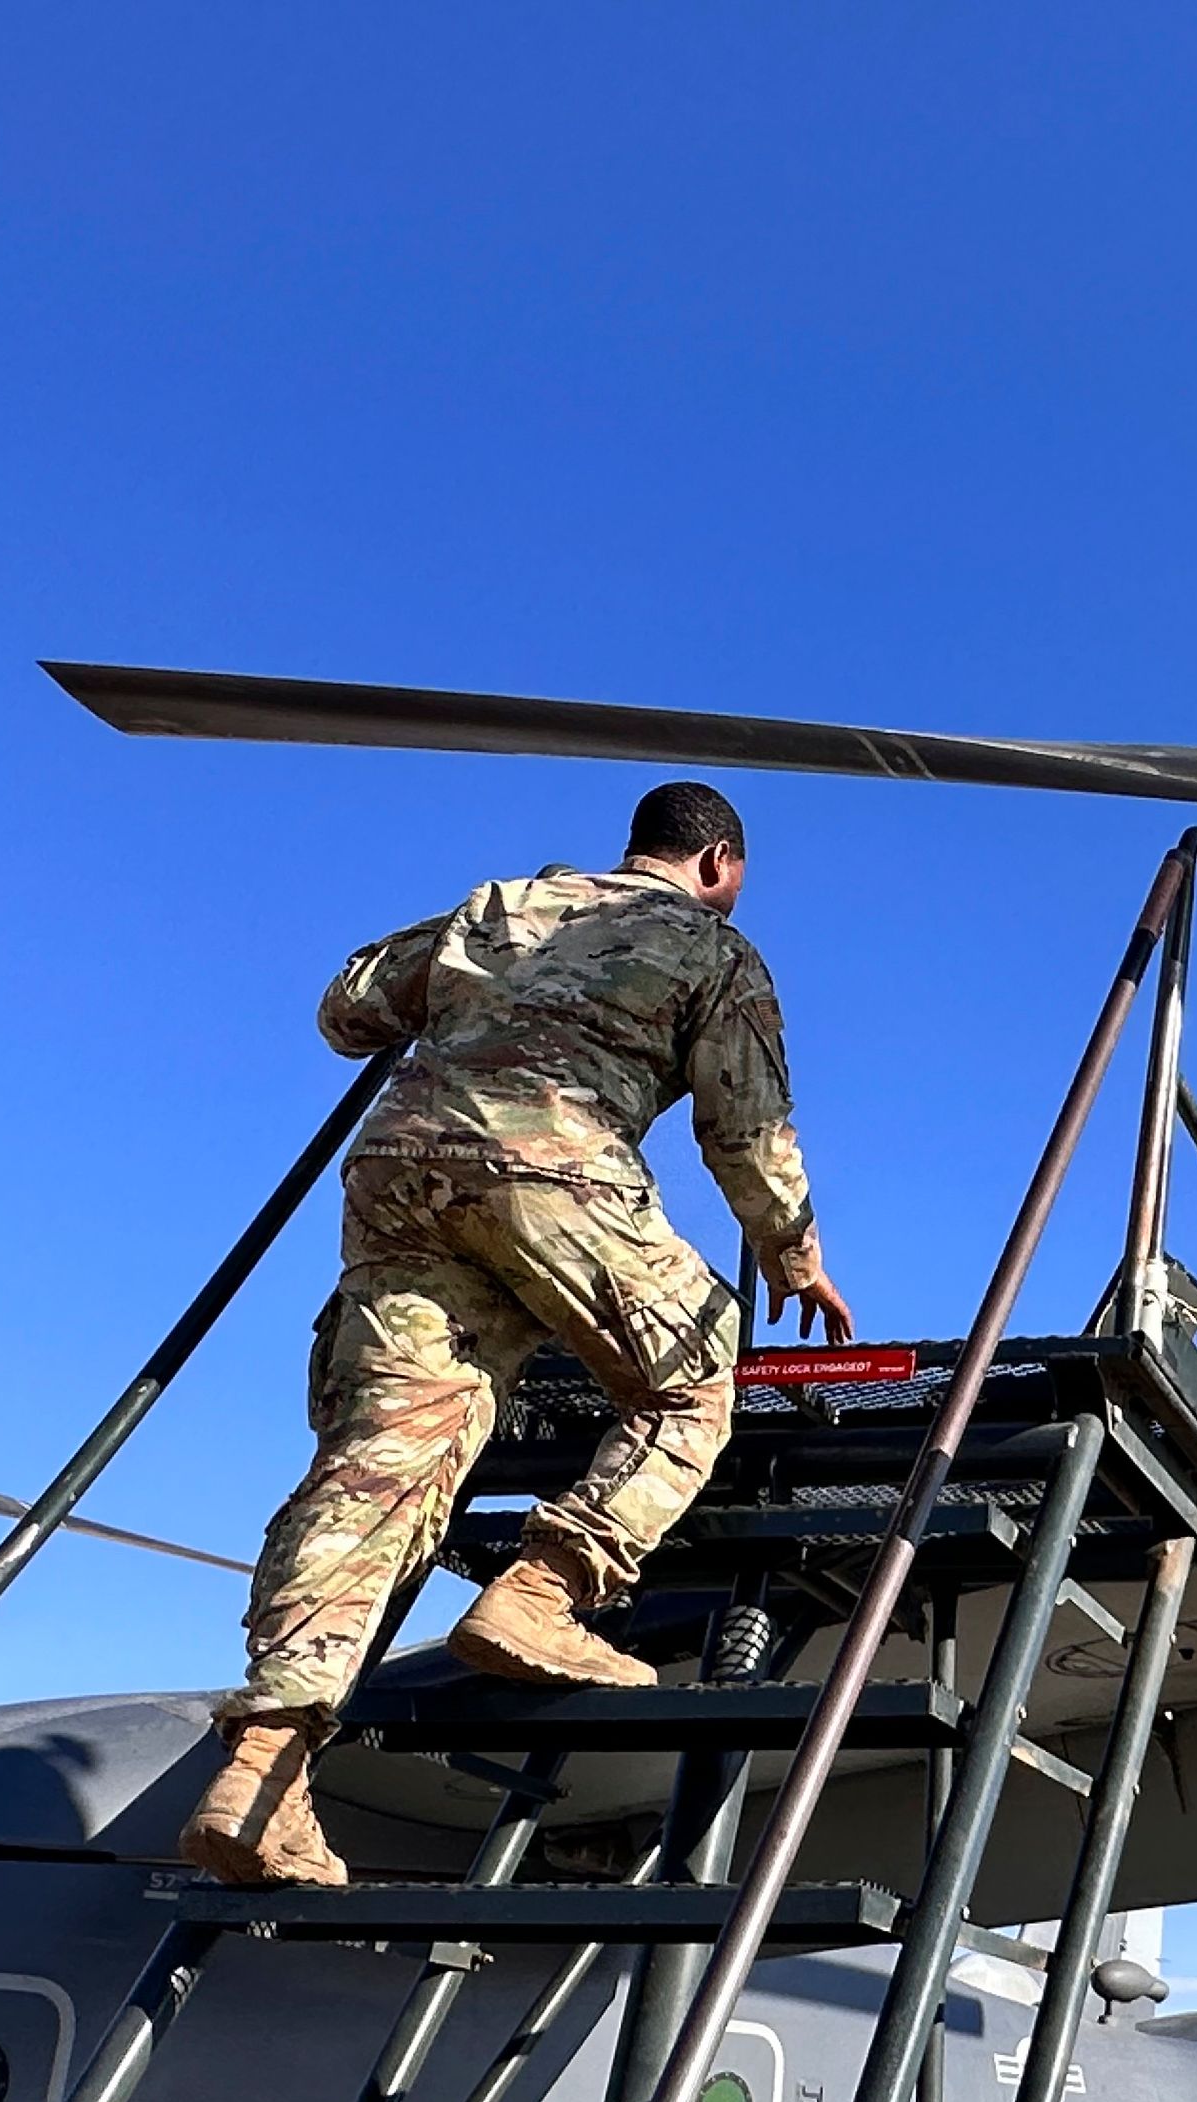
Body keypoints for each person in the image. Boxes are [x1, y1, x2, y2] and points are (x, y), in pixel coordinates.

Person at [182, 781, 857, 1884]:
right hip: (553, 1168)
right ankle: (545, 1590)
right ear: (720, 863)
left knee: (380, 1464)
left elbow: (349, 1007)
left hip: (401, 1174)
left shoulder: (502, 902)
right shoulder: (713, 947)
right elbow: (747, 1127)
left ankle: (263, 1775)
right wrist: (796, 1255)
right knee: (693, 1374)